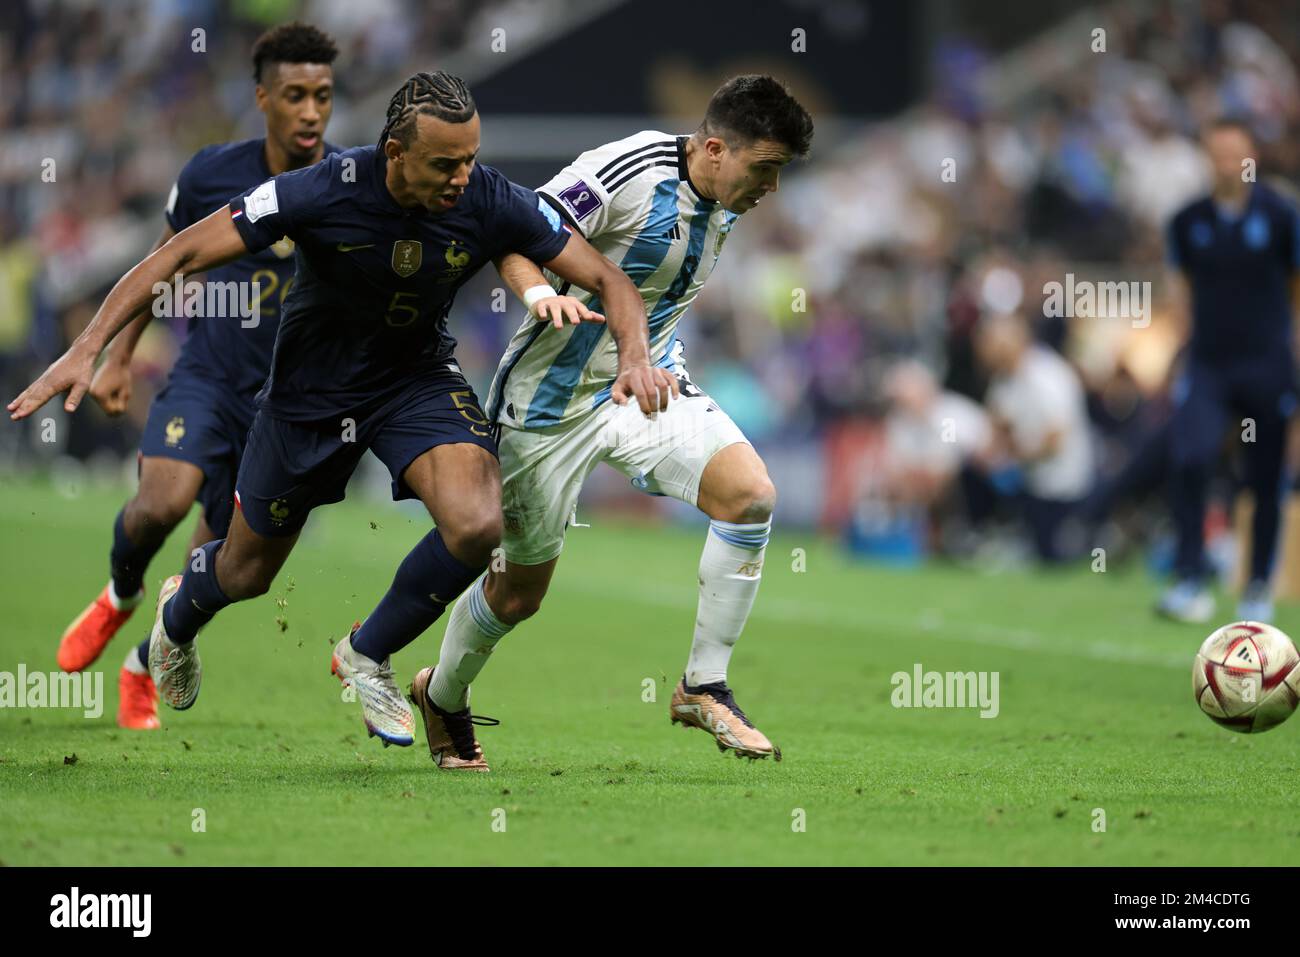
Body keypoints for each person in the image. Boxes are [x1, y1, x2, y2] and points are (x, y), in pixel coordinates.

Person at [9, 71, 676, 755]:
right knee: (244, 573)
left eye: (470, 158)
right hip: (308, 398)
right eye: (445, 163)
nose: (461, 177)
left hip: (413, 380)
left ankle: (367, 652)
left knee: (478, 524)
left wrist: (632, 355)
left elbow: (608, 277)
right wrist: (89, 349)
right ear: (395, 153)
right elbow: (178, 251)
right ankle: (176, 619)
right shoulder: (322, 189)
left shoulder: (488, 197)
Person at [412, 75, 813, 769]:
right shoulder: (626, 170)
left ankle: (702, 684)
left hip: (645, 385)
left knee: (751, 495)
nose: (771, 188)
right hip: (546, 403)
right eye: (765, 170)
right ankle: (442, 694)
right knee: (517, 595)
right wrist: (538, 291)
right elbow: (516, 231)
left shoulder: (727, 192)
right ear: (715, 149)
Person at [54, 22, 341, 731]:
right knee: (158, 502)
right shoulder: (212, 172)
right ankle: (121, 593)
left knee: (215, 565)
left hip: (283, 408)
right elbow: (165, 262)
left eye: (324, 97)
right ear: (262, 98)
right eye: (295, 95)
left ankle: (141, 667)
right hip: (209, 376)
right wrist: (120, 357)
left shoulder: (342, 184)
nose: (311, 112)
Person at [1158, 118, 1300, 623]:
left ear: (1251, 157)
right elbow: (1180, 289)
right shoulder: (1186, 221)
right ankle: (1191, 577)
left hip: (1265, 364)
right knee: (1189, 456)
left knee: (1264, 478)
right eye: (1217, 153)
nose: (1226, 164)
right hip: (1209, 363)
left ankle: (1257, 584)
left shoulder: (1282, 216)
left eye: (1235, 154)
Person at [975, 312, 1095, 562]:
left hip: (1060, 486)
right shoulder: (1004, 380)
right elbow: (995, 430)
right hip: (1029, 479)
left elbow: (1056, 442)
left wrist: (1011, 456)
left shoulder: (1048, 376)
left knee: (1051, 558)